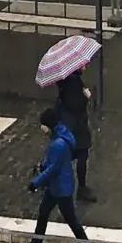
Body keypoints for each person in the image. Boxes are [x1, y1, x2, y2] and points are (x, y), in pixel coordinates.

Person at [21, 113, 96, 243]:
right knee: (43, 214)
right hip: (56, 186)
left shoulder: (58, 144)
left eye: (42, 124)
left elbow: (53, 169)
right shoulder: (62, 136)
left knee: (72, 221)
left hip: (61, 189)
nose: (40, 128)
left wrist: (35, 183)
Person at [46, 64, 95, 200]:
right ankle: (82, 188)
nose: (85, 67)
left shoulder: (67, 80)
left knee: (70, 155)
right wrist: (86, 96)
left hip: (71, 125)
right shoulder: (72, 82)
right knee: (81, 154)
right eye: (82, 66)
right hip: (75, 127)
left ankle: (45, 172)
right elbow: (75, 105)